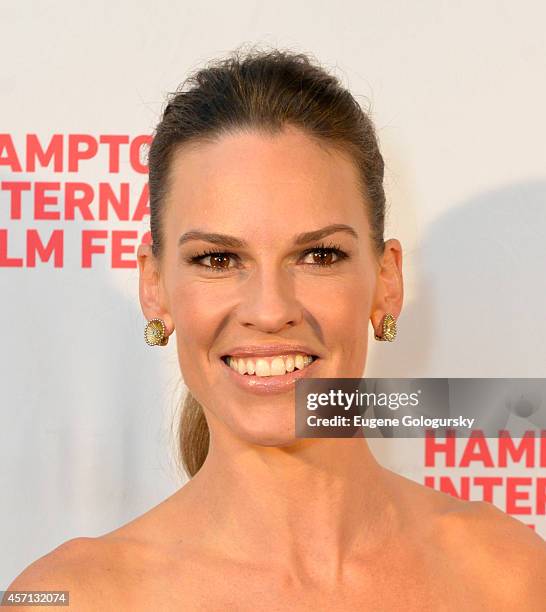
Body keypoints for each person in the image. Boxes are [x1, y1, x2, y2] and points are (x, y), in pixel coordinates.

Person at [8, 46, 546, 610]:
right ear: (154, 286)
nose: (269, 311)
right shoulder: (72, 597)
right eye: (217, 259)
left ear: (386, 280)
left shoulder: (506, 577)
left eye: (318, 255)